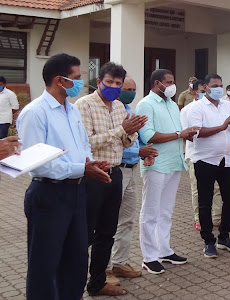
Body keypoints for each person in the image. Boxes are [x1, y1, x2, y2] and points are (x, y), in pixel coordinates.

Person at [17, 53, 112, 300]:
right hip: (48, 194)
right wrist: (82, 168)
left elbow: (83, 147)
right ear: (60, 80)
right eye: (76, 78)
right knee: (44, 265)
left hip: (77, 192)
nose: (80, 83)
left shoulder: (71, 110)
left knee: (76, 260)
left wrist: (92, 163)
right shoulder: (35, 113)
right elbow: (37, 164)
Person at [75, 62, 146, 296]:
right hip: (93, 176)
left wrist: (130, 132)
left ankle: (97, 283)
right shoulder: (84, 105)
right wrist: (120, 130)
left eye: (118, 83)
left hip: (115, 175)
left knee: (107, 231)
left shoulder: (118, 107)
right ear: (99, 82)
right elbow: (86, 142)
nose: (115, 87)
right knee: (86, 233)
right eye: (110, 83)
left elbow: (124, 142)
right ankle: (72, 282)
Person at [135, 69, 199, 274]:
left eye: (173, 81)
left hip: (174, 162)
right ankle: (149, 256)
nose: (172, 86)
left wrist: (185, 135)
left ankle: (164, 250)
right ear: (157, 83)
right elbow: (148, 136)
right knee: (150, 212)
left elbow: (176, 132)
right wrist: (179, 133)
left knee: (166, 211)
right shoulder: (146, 104)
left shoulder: (172, 105)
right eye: (168, 82)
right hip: (157, 164)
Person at [106, 77, 159, 286]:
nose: (130, 92)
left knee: (126, 220)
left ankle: (119, 262)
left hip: (132, 169)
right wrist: (139, 151)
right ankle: (105, 267)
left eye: (133, 89)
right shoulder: (111, 111)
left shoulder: (129, 109)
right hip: (115, 170)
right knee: (108, 222)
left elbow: (137, 137)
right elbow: (115, 143)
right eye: (126, 88)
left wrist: (146, 150)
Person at [188, 74, 230, 258]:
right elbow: (196, 132)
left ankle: (224, 237)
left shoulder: (227, 105)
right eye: (215, 85)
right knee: (205, 202)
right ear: (205, 87)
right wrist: (222, 126)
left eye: (221, 85)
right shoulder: (197, 107)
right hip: (205, 160)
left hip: (227, 160)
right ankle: (208, 241)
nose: (219, 88)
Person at [181, 80, 213, 232]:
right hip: (195, 154)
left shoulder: (213, 107)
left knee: (217, 189)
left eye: (204, 90)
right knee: (197, 188)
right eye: (200, 91)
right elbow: (184, 132)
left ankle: (217, 217)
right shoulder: (187, 110)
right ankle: (198, 219)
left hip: (213, 155)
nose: (203, 93)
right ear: (193, 92)